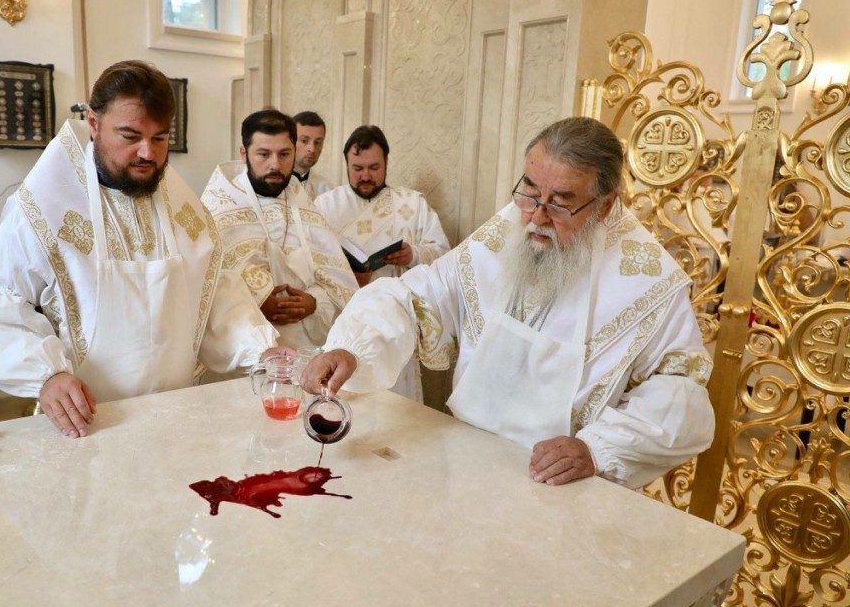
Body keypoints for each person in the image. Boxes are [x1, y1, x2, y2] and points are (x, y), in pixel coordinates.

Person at [302, 117, 714, 489]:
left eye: (560, 202)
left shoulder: (648, 279)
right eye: (530, 191)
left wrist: (597, 449)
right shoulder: (504, 233)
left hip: (565, 488)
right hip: (464, 463)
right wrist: (352, 347)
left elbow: (679, 392)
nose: (537, 217)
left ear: (604, 206)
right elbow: (416, 294)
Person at [0, 61, 277, 438]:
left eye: (160, 138)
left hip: (175, 419)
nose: (148, 153)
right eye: (130, 136)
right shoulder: (42, 208)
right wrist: (47, 377)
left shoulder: (184, 210)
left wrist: (260, 349)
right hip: (83, 423)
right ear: (94, 123)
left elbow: (214, 294)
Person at [201, 109, 358, 351]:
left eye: (284, 154)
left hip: (307, 350)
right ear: (244, 154)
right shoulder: (220, 206)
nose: (275, 164)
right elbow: (207, 286)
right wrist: (256, 301)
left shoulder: (304, 206)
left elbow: (339, 285)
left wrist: (314, 303)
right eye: (264, 154)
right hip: (244, 353)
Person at [314, 125, 450, 401]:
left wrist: (414, 255)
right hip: (342, 325)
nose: (366, 175)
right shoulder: (324, 206)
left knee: (395, 409)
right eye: (357, 168)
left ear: (386, 162)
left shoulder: (412, 204)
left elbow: (444, 257)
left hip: (393, 328)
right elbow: (308, 263)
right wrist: (344, 276)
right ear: (346, 164)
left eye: (374, 167)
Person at [291, 111, 335, 200]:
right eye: (304, 141)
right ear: (291, 141)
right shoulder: (274, 183)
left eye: (317, 142)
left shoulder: (327, 190)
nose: (312, 149)